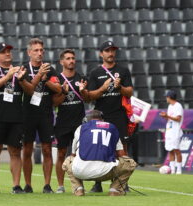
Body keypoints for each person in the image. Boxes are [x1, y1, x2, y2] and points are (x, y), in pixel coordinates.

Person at [0, 42, 30, 194]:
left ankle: (16, 185)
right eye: (3, 52)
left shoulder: (20, 70)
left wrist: (21, 80)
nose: (7, 54)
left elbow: (30, 92)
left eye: (9, 51)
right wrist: (7, 77)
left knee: (15, 152)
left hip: (16, 118)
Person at [85, 40, 133, 192]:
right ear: (101, 54)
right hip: (101, 115)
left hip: (119, 114)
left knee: (122, 150)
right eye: (107, 50)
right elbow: (89, 96)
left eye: (113, 50)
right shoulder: (95, 72)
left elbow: (130, 92)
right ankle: (97, 183)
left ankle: (122, 183)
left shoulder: (123, 70)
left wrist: (120, 88)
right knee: (99, 148)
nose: (111, 53)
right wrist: (103, 88)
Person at [61, 110, 136, 196]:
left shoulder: (80, 128)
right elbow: (121, 154)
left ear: (86, 120)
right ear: (102, 120)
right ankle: (115, 189)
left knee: (68, 161)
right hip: (106, 172)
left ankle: (78, 188)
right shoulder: (112, 127)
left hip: (81, 172)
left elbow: (73, 154)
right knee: (130, 163)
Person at [20, 38, 61, 193]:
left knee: (47, 149)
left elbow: (58, 89)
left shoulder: (49, 69)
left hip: (45, 114)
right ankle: (28, 185)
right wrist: (39, 78)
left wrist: (46, 80)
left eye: (41, 50)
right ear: (29, 52)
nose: (39, 53)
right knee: (27, 149)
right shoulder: (23, 69)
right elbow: (28, 89)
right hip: (28, 114)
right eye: (36, 50)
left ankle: (47, 184)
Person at [52, 49, 88, 193]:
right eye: (67, 58)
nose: (71, 61)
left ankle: (79, 185)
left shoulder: (82, 77)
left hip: (79, 122)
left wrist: (84, 91)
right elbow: (54, 102)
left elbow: (88, 98)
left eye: (73, 58)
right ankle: (60, 185)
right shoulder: (56, 80)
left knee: (80, 155)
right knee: (61, 153)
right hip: (62, 122)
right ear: (61, 62)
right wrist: (64, 92)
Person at [160, 90, 184, 175]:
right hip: (169, 130)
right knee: (170, 150)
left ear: (170, 97)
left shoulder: (178, 106)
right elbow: (170, 119)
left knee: (176, 149)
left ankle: (179, 170)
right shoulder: (170, 106)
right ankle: (173, 170)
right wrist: (165, 117)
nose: (166, 98)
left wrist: (167, 116)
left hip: (175, 131)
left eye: (166, 97)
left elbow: (178, 119)